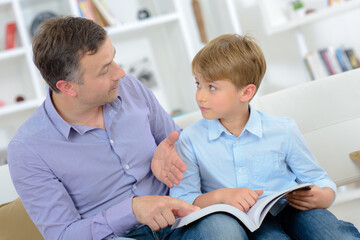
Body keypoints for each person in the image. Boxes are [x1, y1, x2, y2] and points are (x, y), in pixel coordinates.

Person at [6, 17, 239, 240]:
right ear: (68, 87)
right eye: (105, 70)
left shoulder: (129, 89)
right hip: (117, 236)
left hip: (178, 220)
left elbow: (180, 146)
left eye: (113, 59)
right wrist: (133, 210)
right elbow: (63, 235)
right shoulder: (28, 149)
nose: (121, 73)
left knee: (223, 229)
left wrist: (174, 156)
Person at [170, 34, 360, 239]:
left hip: (294, 210)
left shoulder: (282, 129)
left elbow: (317, 178)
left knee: (335, 235)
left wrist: (323, 195)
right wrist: (221, 197)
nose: (200, 95)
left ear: (246, 93)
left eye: (212, 87)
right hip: (242, 223)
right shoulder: (190, 139)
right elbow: (183, 198)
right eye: (198, 84)